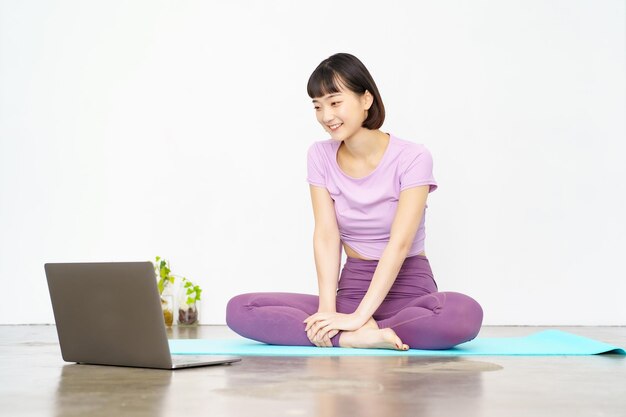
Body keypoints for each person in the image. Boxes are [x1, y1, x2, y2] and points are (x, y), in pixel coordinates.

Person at [226, 52, 483, 350]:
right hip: (351, 290)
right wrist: (329, 312)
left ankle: (359, 333)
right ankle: (359, 339)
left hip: (409, 291)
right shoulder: (319, 155)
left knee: (462, 315)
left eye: (335, 102)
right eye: (318, 106)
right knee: (241, 309)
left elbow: (399, 244)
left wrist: (360, 316)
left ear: (366, 100)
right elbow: (326, 234)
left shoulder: (413, 157)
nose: (326, 116)